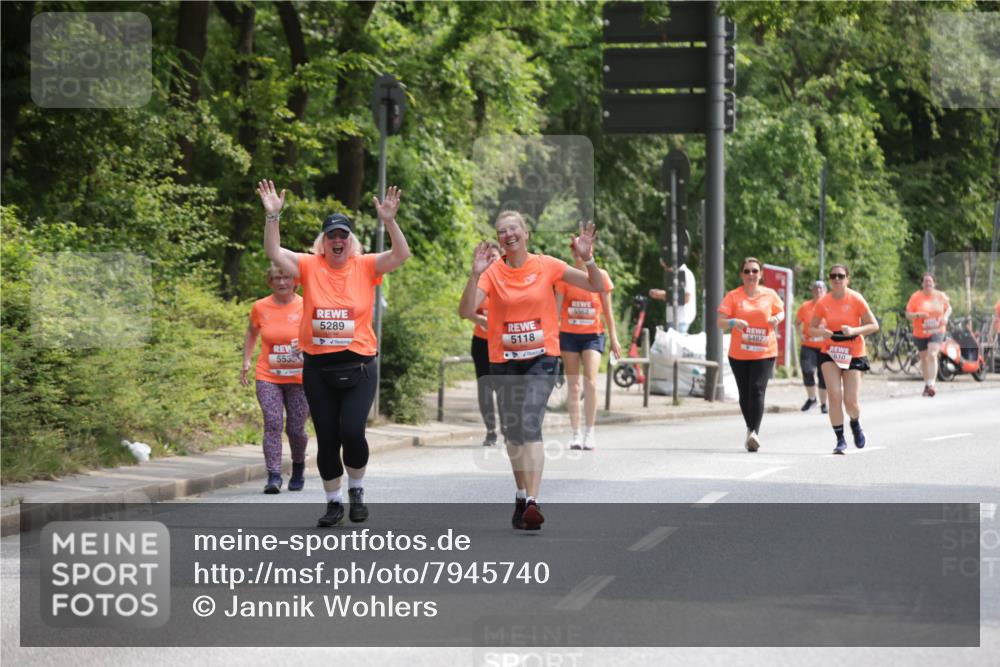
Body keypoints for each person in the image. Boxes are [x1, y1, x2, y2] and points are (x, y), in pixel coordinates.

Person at [258, 179, 410, 527]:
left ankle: (356, 489)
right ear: (323, 243)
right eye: (332, 236)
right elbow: (274, 254)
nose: (337, 241)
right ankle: (333, 501)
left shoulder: (366, 265)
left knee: (352, 432)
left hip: (359, 365)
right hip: (318, 368)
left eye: (343, 236)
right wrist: (273, 217)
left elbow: (401, 254)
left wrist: (389, 221)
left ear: (351, 242)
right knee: (327, 438)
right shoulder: (310, 266)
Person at [459, 212, 604, 530]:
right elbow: (466, 310)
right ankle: (521, 494)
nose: (508, 234)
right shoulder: (492, 272)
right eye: (501, 231)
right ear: (499, 239)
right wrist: (474, 275)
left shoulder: (547, 265)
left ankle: (533, 502)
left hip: (542, 358)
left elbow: (597, 285)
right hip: (505, 360)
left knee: (529, 422)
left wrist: (588, 259)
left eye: (513, 229)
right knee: (514, 431)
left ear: (526, 233)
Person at [241, 265, 309, 494]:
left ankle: (298, 466)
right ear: (270, 282)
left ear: (295, 281)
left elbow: (318, 334)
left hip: (300, 377)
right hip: (268, 374)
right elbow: (252, 332)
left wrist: (307, 348)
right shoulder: (260, 307)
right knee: (272, 422)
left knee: (296, 428)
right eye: (277, 278)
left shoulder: (306, 305)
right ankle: (274, 475)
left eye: (286, 277)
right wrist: (246, 361)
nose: (282, 282)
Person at [555, 242, 621, 450]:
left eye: (582, 249)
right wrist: (551, 339)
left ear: (590, 251)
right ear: (572, 252)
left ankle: (590, 432)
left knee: (590, 381)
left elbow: (608, 313)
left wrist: (614, 339)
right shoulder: (565, 277)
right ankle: (575, 433)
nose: (578, 253)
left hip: (593, 335)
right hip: (568, 335)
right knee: (573, 385)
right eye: (574, 249)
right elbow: (556, 312)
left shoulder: (600, 276)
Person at [809, 263, 879, 455]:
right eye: (833, 276)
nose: (837, 280)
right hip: (830, 350)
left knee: (851, 401)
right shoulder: (823, 302)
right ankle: (840, 439)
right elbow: (810, 328)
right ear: (830, 280)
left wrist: (855, 330)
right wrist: (821, 332)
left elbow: (874, 325)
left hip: (854, 350)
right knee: (833, 395)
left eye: (841, 276)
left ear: (848, 278)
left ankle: (855, 423)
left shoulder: (856, 299)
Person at [716, 257, 784, 452]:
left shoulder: (769, 295)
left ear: (760, 274)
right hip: (739, 354)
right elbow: (720, 321)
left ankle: (754, 432)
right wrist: (733, 322)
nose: (751, 275)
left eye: (755, 271)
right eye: (747, 271)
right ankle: (750, 428)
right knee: (744, 395)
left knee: (757, 389)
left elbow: (781, 312)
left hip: (764, 351)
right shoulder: (733, 296)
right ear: (741, 275)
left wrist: (776, 318)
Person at [462, 241, 503, 446]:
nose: (491, 261)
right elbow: (466, 310)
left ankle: (508, 427)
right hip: (481, 342)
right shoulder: (480, 283)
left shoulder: (507, 282)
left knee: (503, 388)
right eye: (487, 257)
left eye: (494, 257)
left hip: (504, 344)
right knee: (485, 387)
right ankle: (491, 431)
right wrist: (480, 320)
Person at [905, 273, 951, 397]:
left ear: (934, 283)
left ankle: (932, 384)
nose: (928, 283)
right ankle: (927, 384)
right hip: (920, 331)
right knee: (924, 358)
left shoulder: (940, 295)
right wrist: (918, 315)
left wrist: (945, 317)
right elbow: (908, 315)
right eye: (925, 281)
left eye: (930, 281)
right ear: (922, 283)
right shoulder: (915, 297)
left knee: (932, 354)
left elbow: (948, 308)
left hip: (937, 329)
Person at [795, 280, 829, 413]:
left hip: (825, 346)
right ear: (812, 292)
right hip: (808, 345)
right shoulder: (805, 306)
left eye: (821, 289)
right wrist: (800, 335)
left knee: (824, 376)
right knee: (807, 371)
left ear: (825, 291)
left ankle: (824, 404)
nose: (818, 291)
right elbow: (797, 323)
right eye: (816, 289)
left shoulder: (830, 306)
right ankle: (812, 398)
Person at [649, 261, 696, 333]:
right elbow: (674, 297)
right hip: (675, 319)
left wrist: (663, 295)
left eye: (666, 266)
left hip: (680, 320)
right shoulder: (676, 274)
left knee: (676, 343)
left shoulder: (684, 273)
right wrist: (661, 295)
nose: (665, 269)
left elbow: (686, 298)